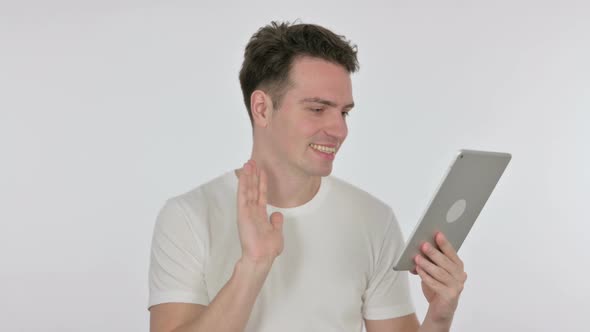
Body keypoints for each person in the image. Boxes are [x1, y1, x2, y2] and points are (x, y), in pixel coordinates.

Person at [148, 21, 467, 332]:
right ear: (262, 109)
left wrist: (439, 317)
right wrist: (253, 267)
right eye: (317, 109)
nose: (340, 129)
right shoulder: (188, 217)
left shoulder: (373, 220)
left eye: (344, 112)